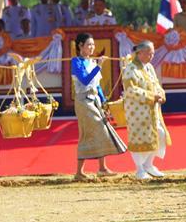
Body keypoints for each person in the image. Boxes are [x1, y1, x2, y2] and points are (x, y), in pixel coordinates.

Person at [71, 33, 127, 180]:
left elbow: (97, 85)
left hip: (94, 99)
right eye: (88, 44)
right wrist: (99, 67)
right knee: (93, 131)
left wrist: (103, 101)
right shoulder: (76, 61)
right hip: (83, 101)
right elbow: (84, 80)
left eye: (93, 45)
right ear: (80, 46)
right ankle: (81, 171)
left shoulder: (93, 62)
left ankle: (100, 168)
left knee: (100, 129)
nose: (92, 47)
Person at [123, 40, 171, 180]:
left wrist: (161, 94)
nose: (151, 56)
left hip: (153, 110)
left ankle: (149, 165)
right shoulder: (130, 69)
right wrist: (151, 96)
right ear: (140, 53)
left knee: (159, 135)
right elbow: (130, 90)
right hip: (137, 112)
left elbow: (156, 83)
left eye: (153, 53)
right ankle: (139, 169)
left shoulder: (149, 67)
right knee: (140, 139)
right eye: (149, 53)